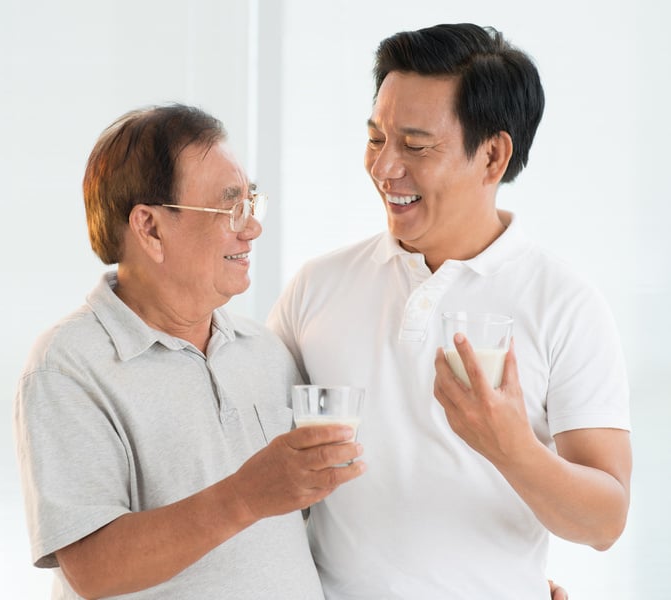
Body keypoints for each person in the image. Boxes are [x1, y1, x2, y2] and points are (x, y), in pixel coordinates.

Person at [268, 23, 631, 599]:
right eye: (375, 138)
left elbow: (605, 522)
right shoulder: (316, 286)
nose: (385, 167)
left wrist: (511, 448)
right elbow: (251, 465)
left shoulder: (565, 304)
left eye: (416, 145)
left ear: (492, 156)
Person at [12, 103, 364, 599]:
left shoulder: (265, 351)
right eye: (229, 208)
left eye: (251, 202)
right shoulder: (68, 365)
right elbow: (92, 568)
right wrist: (245, 496)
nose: (251, 228)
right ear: (150, 228)